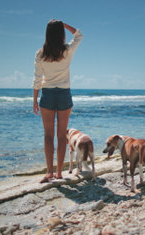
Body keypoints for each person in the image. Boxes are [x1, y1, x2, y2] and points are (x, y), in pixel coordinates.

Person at [32, 19, 83, 183]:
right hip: (63, 94)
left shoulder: (41, 53)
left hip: (46, 94)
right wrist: (65, 25)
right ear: (61, 34)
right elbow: (79, 35)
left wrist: (34, 100)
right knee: (62, 136)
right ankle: (59, 173)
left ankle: (49, 172)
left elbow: (37, 79)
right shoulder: (67, 51)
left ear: (47, 34)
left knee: (48, 135)